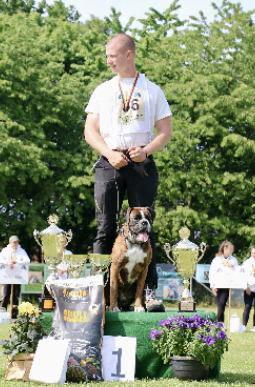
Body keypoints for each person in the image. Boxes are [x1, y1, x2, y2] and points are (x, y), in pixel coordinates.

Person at [84, 33, 172, 308]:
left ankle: (149, 293)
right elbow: (89, 131)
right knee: (105, 228)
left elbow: (165, 132)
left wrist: (146, 151)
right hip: (109, 160)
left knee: (145, 227)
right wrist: (110, 153)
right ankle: (98, 293)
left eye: (112, 55)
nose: (108, 60)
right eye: (107, 56)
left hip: (140, 163)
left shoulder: (152, 90)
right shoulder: (103, 90)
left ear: (128, 55)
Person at [0, 236, 29, 318]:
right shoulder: (5, 250)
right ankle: (2, 314)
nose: (16, 244)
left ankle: (14, 315)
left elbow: (27, 260)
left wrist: (17, 262)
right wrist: (7, 262)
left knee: (16, 296)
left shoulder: (21, 251)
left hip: (17, 276)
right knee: (6, 295)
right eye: (14, 242)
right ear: (10, 243)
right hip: (7, 276)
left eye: (17, 242)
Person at [209, 241, 238, 325]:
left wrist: (233, 266)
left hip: (227, 285)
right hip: (217, 285)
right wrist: (212, 286)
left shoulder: (233, 260)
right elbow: (211, 273)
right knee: (220, 304)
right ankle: (220, 322)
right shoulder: (216, 260)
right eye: (230, 249)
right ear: (225, 248)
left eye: (232, 249)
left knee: (222, 303)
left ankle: (219, 323)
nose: (232, 251)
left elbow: (238, 271)